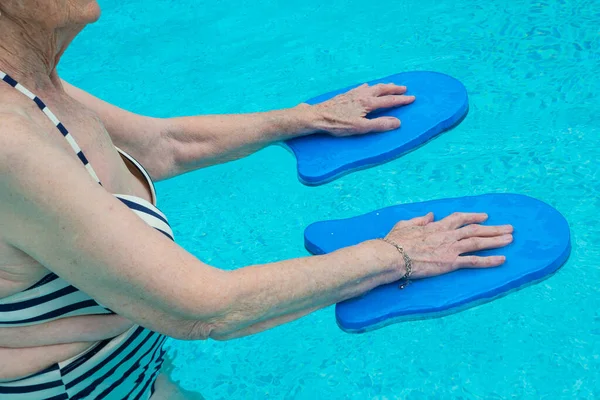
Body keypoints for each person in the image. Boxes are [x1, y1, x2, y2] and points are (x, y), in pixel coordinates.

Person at [0, 1, 514, 398]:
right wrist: (395, 255)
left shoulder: (32, 86)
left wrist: (305, 119)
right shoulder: (9, 141)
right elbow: (204, 309)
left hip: (131, 366)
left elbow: (164, 146)